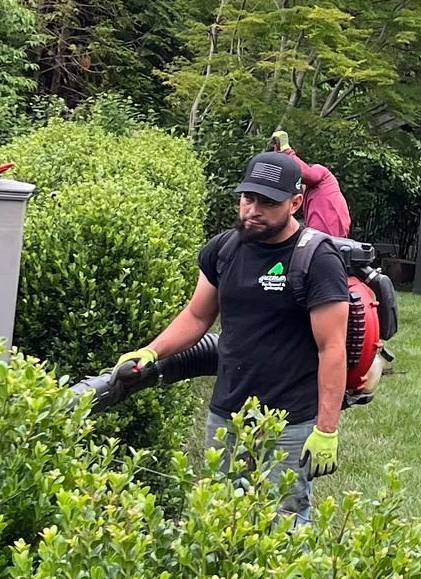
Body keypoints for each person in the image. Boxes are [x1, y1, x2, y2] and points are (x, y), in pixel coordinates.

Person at [123, 148, 349, 524]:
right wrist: (150, 351)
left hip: (288, 421)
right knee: (219, 517)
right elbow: (197, 316)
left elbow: (332, 348)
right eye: (248, 197)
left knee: (283, 524)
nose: (253, 210)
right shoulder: (225, 249)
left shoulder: (317, 259)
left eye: (267, 201)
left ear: (295, 202)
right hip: (227, 413)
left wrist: (326, 429)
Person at [297, 158, 351, 238]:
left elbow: (307, 173)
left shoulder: (320, 171)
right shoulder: (322, 191)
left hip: (324, 236)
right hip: (337, 236)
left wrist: (287, 152)